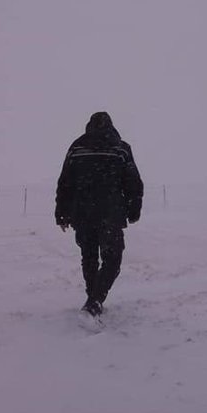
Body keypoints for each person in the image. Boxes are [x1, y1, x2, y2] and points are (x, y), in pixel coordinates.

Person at [55, 112, 143, 317]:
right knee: (113, 259)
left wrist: (62, 213)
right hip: (110, 213)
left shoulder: (77, 147)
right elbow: (133, 182)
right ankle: (95, 300)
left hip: (82, 213)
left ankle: (92, 298)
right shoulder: (121, 148)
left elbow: (65, 182)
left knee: (89, 257)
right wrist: (134, 210)